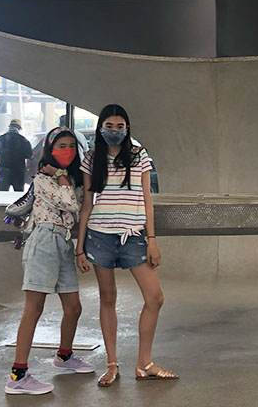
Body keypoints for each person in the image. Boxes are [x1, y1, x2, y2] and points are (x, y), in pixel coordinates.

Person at [76, 104, 178, 387]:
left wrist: (152, 240)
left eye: (120, 127)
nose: (115, 131)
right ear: (101, 128)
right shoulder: (91, 158)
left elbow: (147, 198)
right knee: (108, 299)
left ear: (127, 128)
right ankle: (112, 364)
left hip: (133, 236)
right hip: (99, 237)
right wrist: (80, 248)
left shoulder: (138, 155)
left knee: (155, 297)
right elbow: (87, 204)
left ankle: (144, 363)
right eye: (109, 126)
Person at [6, 127, 94, 395]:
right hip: (44, 240)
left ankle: (64, 357)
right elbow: (71, 204)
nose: (66, 150)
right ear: (49, 151)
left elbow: (82, 207)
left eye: (70, 145)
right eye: (60, 146)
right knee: (34, 308)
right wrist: (60, 177)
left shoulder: (73, 179)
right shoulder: (43, 179)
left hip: (64, 244)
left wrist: (79, 250)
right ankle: (17, 375)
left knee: (74, 306)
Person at [27, 115, 88, 183]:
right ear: (51, 149)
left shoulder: (78, 176)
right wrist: (59, 175)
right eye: (62, 147)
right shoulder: (43, 179)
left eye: (72, 146)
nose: (68, 151)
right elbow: (67, 193)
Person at [0, 119, 32, 192]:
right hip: (18, 170)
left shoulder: (0, 139)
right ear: (19, 128)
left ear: (9, 127)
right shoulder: (23, 140)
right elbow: (29, 155)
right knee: (18, 195)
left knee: (3, 193)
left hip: (3, 170)